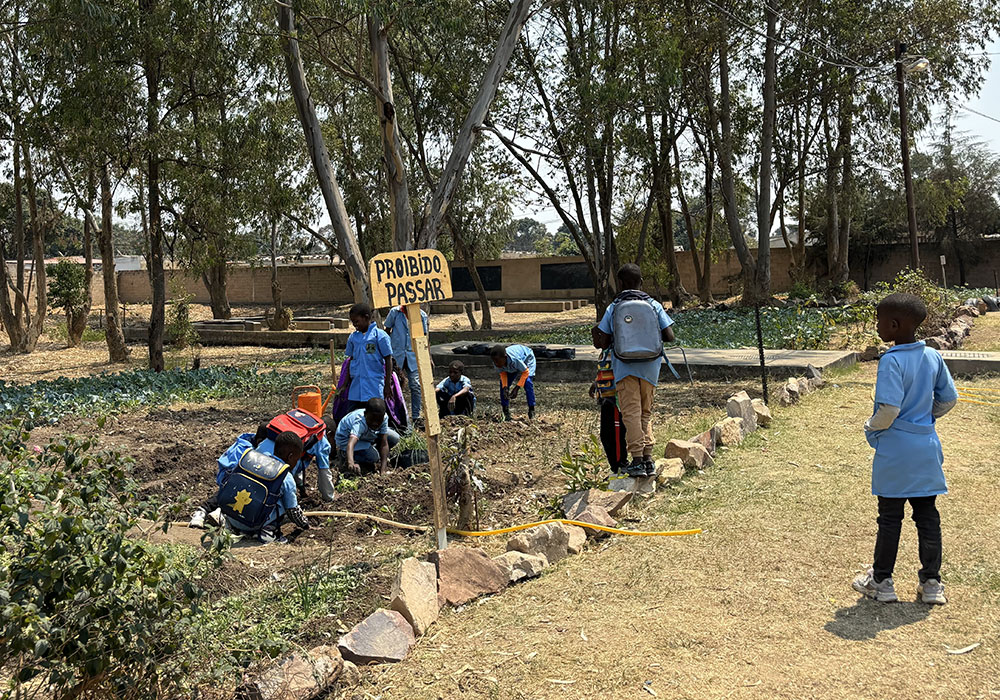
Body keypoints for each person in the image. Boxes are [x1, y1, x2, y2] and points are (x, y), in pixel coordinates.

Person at [852, 293, 957, 605]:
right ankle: (932, 583)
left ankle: (882, 581)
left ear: (894, 326)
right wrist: (925, 418)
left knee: (890, 517)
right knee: (927, 515)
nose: (877, 326)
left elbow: (888, 410)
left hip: (897, 451)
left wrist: (870, 427)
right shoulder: (933, 357)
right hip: (926, 448)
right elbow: (949, 400)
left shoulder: (891, 360)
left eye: (880, 321)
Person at [592, 263, 675, 478]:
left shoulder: (615, 306)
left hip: (624, 368)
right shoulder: (653, 304)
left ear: (620, 284)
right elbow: (669, 336)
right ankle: (648, 458)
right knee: (645, 413)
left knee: (630, 414)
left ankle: (637, 459)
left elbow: (605, 340)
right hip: (650, 368)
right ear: (641, 282)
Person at [217, 430, 311, 544]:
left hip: (232, 516)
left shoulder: (253, 459)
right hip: (254, 524)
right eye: (296, 459)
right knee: (285, 504)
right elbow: (293, 511)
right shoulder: (285, 476)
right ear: (291, 456)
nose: (296, 463)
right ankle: (267, 530)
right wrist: (306, 525)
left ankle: (233, 525)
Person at [342, 302, 393, 411]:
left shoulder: (380, 336)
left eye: (356, 321)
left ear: (366, 318)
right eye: (353, 322)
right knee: (352, 415)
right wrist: (345, 384)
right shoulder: (353, 338)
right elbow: (350, 360)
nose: (355, 325)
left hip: (373, 386)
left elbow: (388, 359)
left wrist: (387, 384)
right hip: (356, 387)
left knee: (374, 415)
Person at [589, 338, 629, 474]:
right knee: (605, 435)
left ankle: (621, 464)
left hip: (615, 401)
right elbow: (605, 371)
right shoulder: (605, 353)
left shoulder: (616, 352)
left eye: (597, 336)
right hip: (606, 399)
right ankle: (614, 466)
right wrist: (596, 383)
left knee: (616, 435)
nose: (594, 340)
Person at [334, 397, 401, 476]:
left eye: (378, 421)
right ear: (365, 414)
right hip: (345, 439)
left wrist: (383, 470)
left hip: (366, 433)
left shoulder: (383, 418)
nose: (375, 423)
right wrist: (351, 462)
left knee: (395, 438)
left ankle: (368, 445)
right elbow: (351, 444)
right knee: (373, 457)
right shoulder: (359, 422)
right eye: (372, 419)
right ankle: (345, 454)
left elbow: (384, 442)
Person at [385, 304, 430, 420]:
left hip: (413, 356)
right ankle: (395, 415)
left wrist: (427, 356)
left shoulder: (421, 315)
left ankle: (416, 416)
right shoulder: (395, 312)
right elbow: (387, 330)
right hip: (396, 355)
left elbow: (423, 337)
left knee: (415, 385)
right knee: (395, 385)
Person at [490, 344, 536, 421]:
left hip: (526, 358)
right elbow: (503, 373)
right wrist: (505, 387)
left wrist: (517, 388)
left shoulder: (514, 359)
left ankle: (532, 410)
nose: (496, 364)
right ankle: (506, 411)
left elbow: (525, 372)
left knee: (527, 382)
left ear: (505, 357)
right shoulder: (497, 362)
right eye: (495, 362)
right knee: (503, 386)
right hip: (512, 366)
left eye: (498, 362)